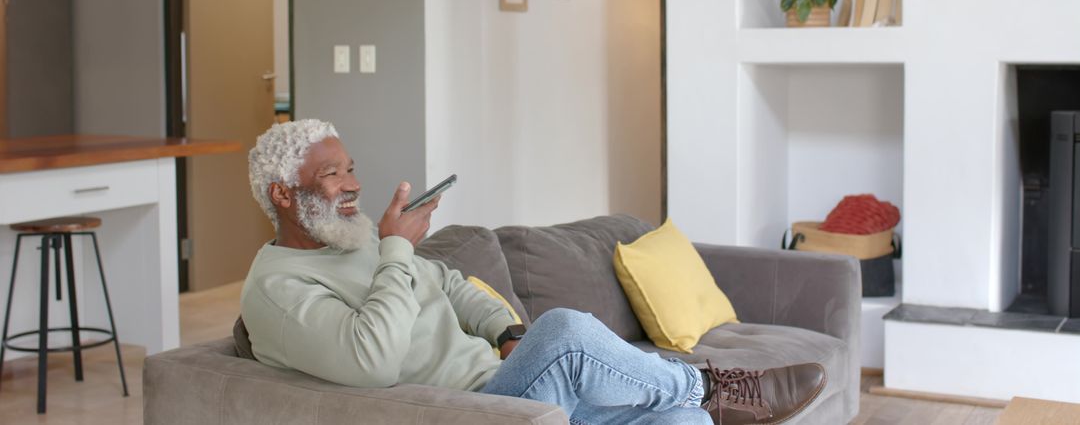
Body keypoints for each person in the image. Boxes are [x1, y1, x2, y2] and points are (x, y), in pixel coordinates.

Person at [241, 119, 826, 424]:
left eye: (351, 169)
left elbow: (446, 283)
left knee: (682, 422)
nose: (354, 186)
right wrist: (395, 249)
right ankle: (714, 386)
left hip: (513, 387)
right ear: (283, 196)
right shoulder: (276, 290)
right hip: (465, 410)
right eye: (332, 176)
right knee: (568, 333)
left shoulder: (356, 238)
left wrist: (505, 330)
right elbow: (370, 361)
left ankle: (696, 399)